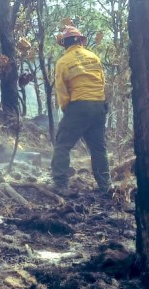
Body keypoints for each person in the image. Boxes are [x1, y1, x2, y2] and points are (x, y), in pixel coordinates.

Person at [50, 25, 112, 196]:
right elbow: (102, 82)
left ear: (65, 44)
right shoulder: (94, 57)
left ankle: (60, 184)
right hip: (99, 105)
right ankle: (106, 187)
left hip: (79, 105)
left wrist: (68, 110)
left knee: (62, 144)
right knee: (98, 148)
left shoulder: (63, 62)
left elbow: (61, 90)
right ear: (81, 40)